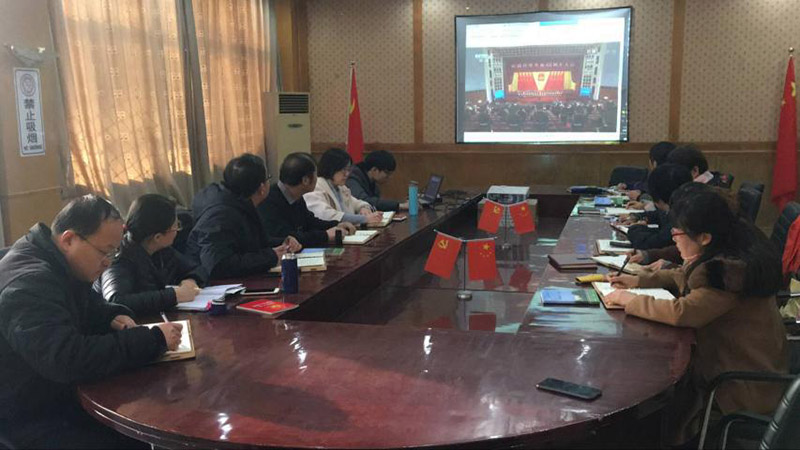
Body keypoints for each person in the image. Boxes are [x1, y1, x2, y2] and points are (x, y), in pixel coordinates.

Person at [605, 185, 788, 445]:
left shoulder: (728, 274)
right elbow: (683, 275)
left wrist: (628, 300)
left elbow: (683, 312)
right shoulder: (729, 251)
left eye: (677, 232)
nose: (674, 238)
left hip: (740, 386)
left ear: (704, 237)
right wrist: (640, 280)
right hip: (728, 366)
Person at [0, 195, 183, 449]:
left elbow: (87, 305)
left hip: (57, 395)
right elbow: (66, 359)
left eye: (114, 252)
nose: (108, 262)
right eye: (104, 252)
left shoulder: (57, 261)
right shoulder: (28, 284)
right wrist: (151, 339)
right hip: (29, 414)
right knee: (135, 436)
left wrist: (111, 316)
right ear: (69, 239)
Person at [185, 153, 301, 280]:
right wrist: (271, 257)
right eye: (268, 178)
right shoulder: (220, 215)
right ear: (262, 188)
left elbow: (252, 244)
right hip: (210, 285)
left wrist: (283, 243)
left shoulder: (240, 202)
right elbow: (218, 265)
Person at [96, 194, 207, 317]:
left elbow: (196, 268)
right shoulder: (119, 258)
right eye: (176, 227)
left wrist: (190, 281)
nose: (177, 232)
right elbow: (116, 301)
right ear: (158, 237)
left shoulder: (162, 250)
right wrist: (174, 295)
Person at [259, 152, 355, 247]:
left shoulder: (296, 195)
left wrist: (336, 225)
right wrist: (325, 235)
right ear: (305, 180)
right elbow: (287, 237)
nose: (317, 178)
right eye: (315, 174)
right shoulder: (269, 201)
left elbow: (310, 222)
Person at [305, 148, 384, 225]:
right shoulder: (316, 186)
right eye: (343, 170)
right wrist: (364, 219)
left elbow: (356, 203)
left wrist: (364, 208)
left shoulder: (341, 187)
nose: (347, 174)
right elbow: (326, 215)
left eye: (348, 169)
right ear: (331, 168)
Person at [626, 163, 693, 250]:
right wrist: (638, 216)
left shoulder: (679, 220)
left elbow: (649, 243)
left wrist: (636, 228)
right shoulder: (684, 207)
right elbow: (659, 215)